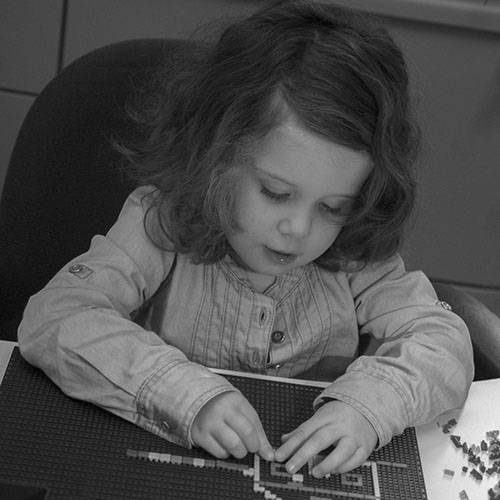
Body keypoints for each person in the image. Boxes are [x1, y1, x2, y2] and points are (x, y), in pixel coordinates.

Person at [18, 0, 474, 479]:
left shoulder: (356, 253)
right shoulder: (163, 221)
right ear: (215, 156)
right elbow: (57, 315)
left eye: (333, 207)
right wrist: (180, 390)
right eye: (276, 193)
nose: (299, 229)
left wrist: (372, 404)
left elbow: (442, 341)